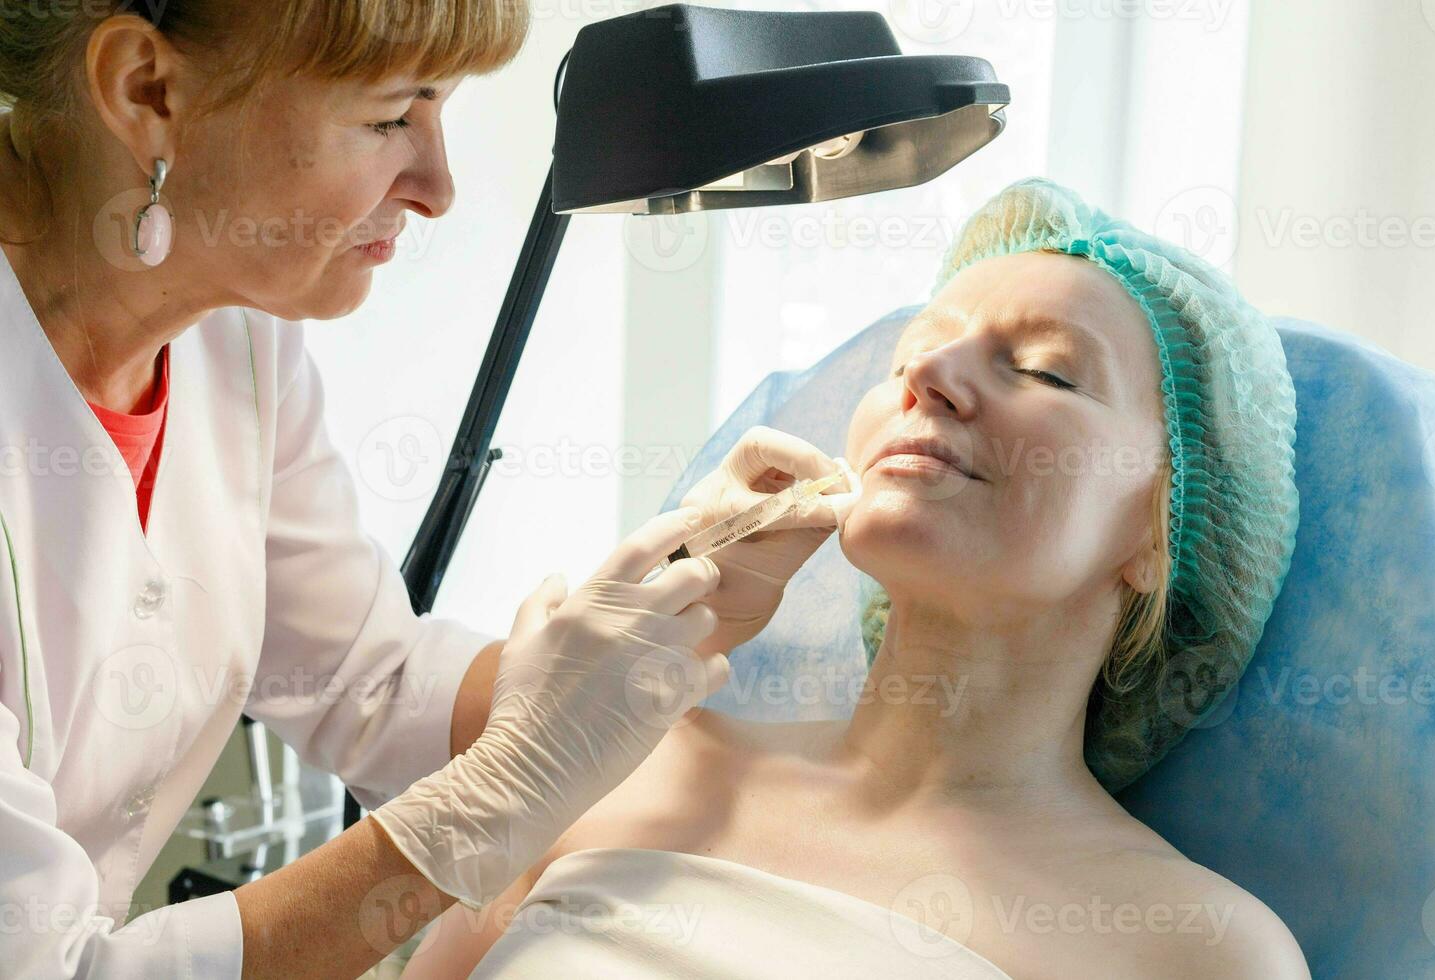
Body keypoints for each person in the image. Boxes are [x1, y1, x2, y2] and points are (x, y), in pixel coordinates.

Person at [0, 3, 845, 976]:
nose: (438, 188)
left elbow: (367, 677)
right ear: (147, 88)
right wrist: (505, 790)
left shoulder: (239, 333)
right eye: (391, 116)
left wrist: (669, 605)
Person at [399, 178, 1311, 979]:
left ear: (1164, 529)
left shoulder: (1196, 951)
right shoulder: (614, 761)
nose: (930, 374)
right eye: (913, 352)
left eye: (1045, 371)